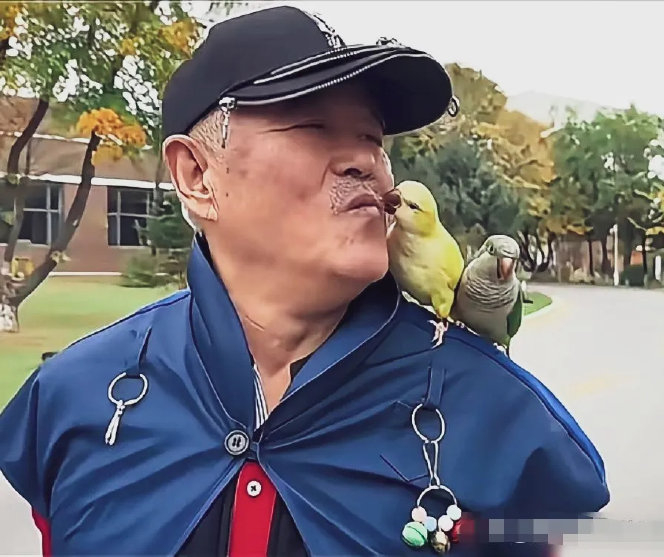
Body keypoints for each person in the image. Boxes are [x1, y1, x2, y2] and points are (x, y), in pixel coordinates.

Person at [0, 6, 609, 556]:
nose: (365, 161)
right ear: (196, 176)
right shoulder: (73, 399)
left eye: (372, 137)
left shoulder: (502, 421)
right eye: (314, 126)